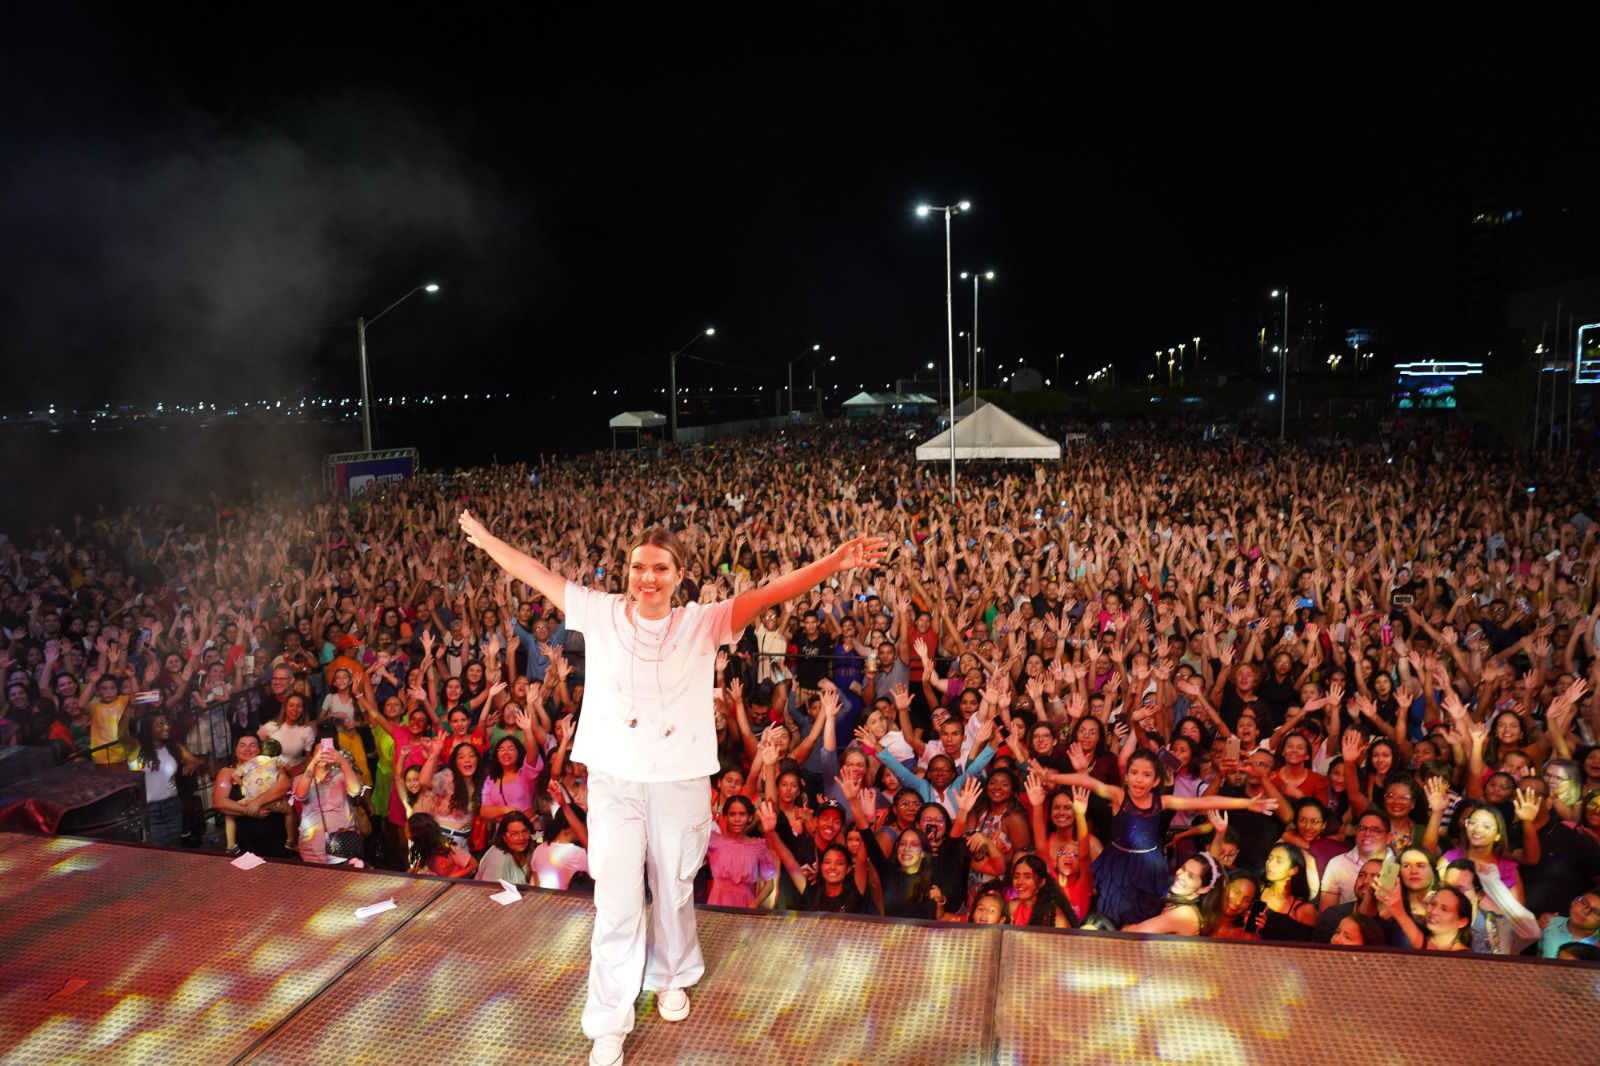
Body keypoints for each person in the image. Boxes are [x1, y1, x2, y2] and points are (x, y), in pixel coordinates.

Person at [460, 509, 885, 1066]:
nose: (648, 578)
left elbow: (769, 592)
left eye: (660, 568)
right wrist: (489, 540)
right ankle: (609, 1020)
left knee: (675, 886)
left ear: (678, 575)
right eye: (639, 567)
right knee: (615, 899)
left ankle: (671, 977)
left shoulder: (702, 622)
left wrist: (834, 562)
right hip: (614, 780)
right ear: (628, 572)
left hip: (679, 779)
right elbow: (534, 572)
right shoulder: (602, 611)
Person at [1039, 749, 1278, 927]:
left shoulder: (1161, 802)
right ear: (1126, 777)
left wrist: (1247, 803)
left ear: (1155, 781)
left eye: (1146, 775)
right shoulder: (1118, 795)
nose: (1138, 779)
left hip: (1147, 868)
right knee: (1110, 917)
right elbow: (1085, 781)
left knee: (1142, 917)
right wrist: (1051, 778)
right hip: (1120, 865)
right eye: (1134, 773)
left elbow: (1202, 802)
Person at [293, 724, 363, 865]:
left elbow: (355, 791)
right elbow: (300, 795)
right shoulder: (301, 778)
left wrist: (342, 762)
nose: (324, 754)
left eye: (328, 750)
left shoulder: (342, 776)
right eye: (319, 751)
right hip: (312, 849)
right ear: (312, 754)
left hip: (343, 845)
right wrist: (313, 763)